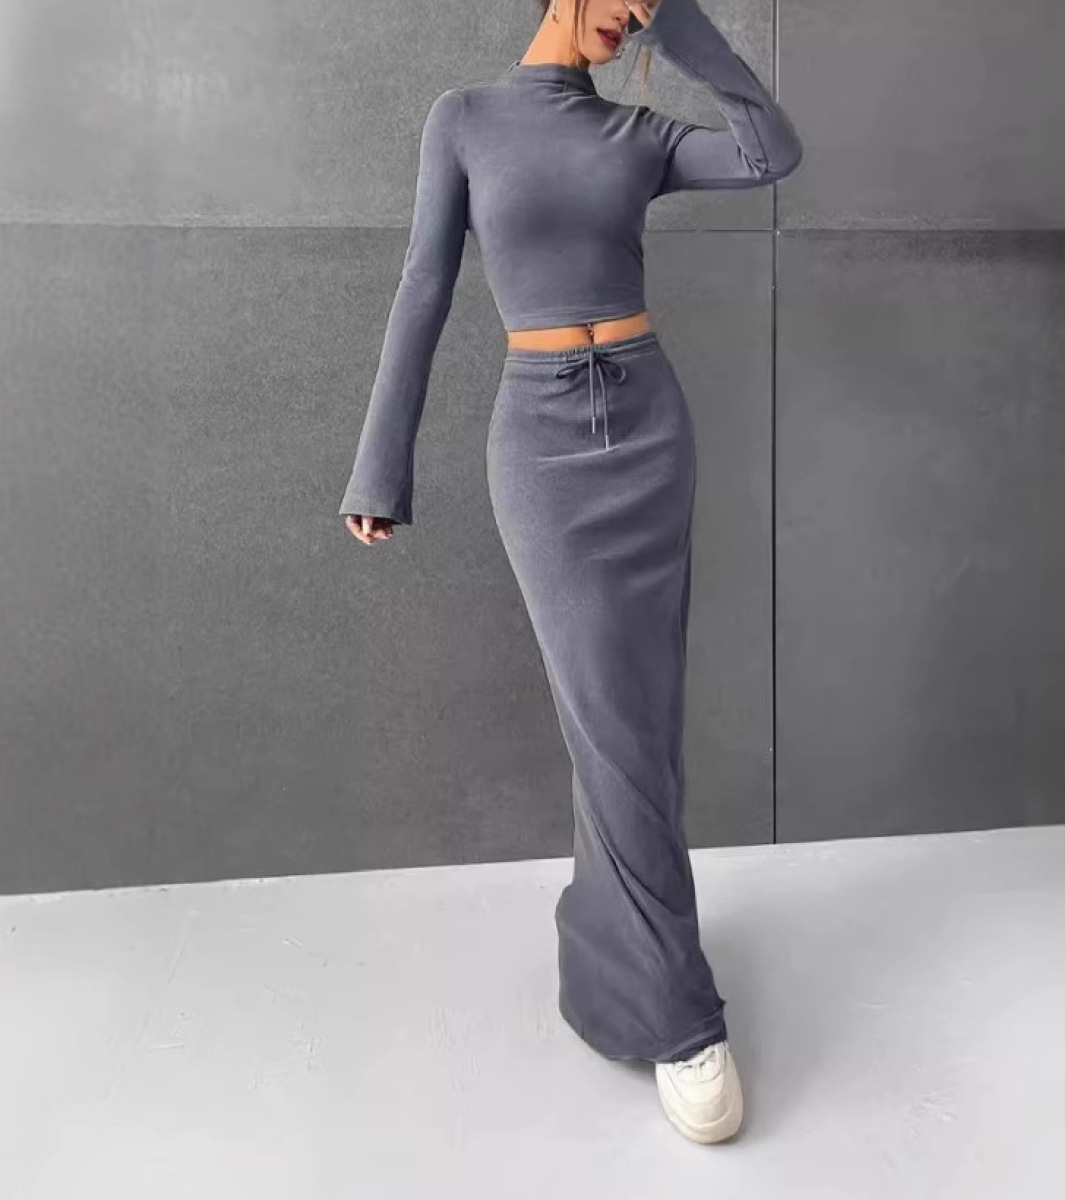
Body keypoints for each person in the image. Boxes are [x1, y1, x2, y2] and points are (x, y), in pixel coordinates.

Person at [338, 0, 802, 1144]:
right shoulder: (464, 121)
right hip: (541, 452)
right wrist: (380, 465)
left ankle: (616, 961)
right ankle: (681, 1018)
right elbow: (424, 284)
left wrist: (685, 30)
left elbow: (769, 153)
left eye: (650, 4)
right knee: (611, 724)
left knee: (642, 722)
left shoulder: (637, 134)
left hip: (649, 433)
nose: (633, 14)